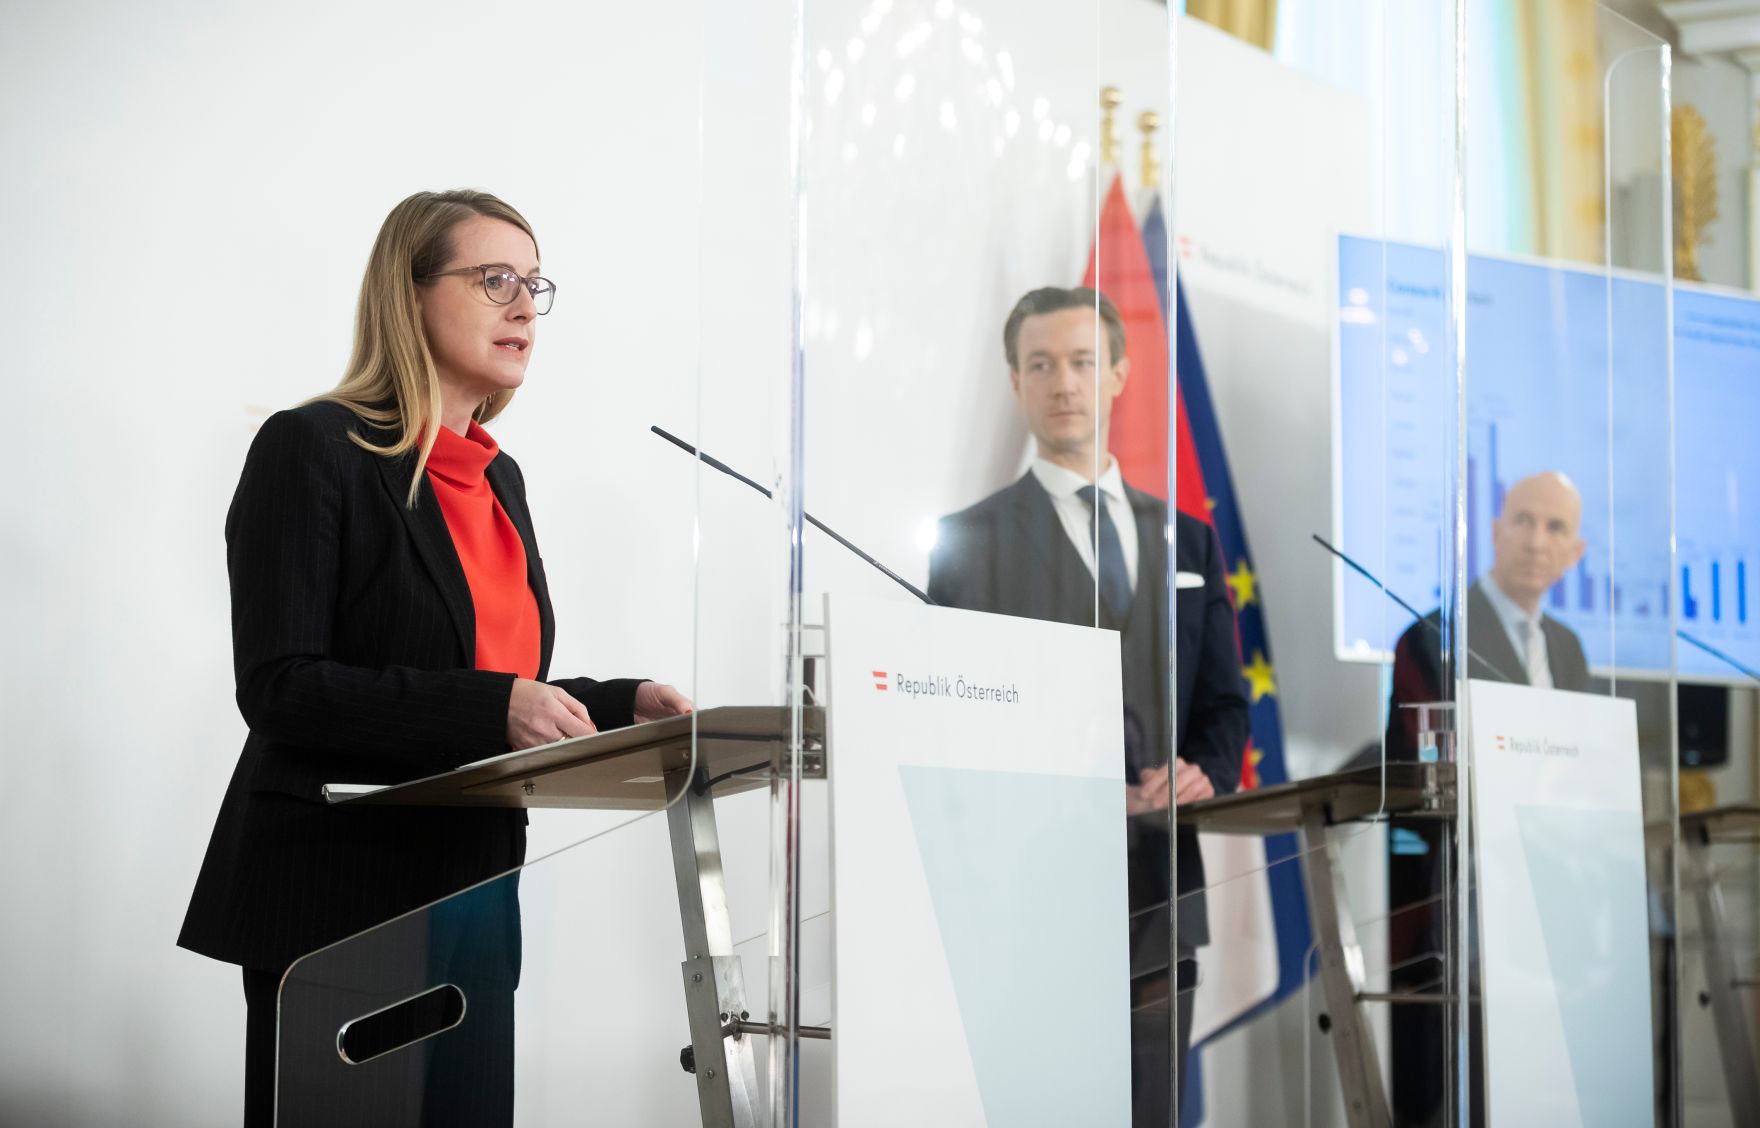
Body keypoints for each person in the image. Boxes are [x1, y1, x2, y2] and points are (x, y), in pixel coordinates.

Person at [176, 189, 692, 1127]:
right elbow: (282, 685)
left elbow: (482, 674)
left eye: (534, 283)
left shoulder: (498, 478)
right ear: (408, 295)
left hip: (472, 899)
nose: (523, 305)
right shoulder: (311, 448)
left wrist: (622, 703)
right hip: (342, 905)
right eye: (493, 278)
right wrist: (494, 706)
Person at [927, 286, 1248, 1125]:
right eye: (1040, 364)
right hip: (1031, 898)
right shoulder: (969, 542)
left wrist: (1201, 773)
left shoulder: (1193, 540)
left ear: (1117, 374)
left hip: (1161, 895)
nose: (1062, 381)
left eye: (1079, 362)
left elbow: (1224, 704)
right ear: (1015, 381)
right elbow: (954, 726)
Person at [1383, 469, 1590, 1126]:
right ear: (1495, 533)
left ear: (1574, 552)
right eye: (1523, 521)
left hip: (1552, 913)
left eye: (1555, 527)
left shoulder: (1570, 648)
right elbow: (1427, 775)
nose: (1536, 539)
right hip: (1457, 911)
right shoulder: (1432, 638)